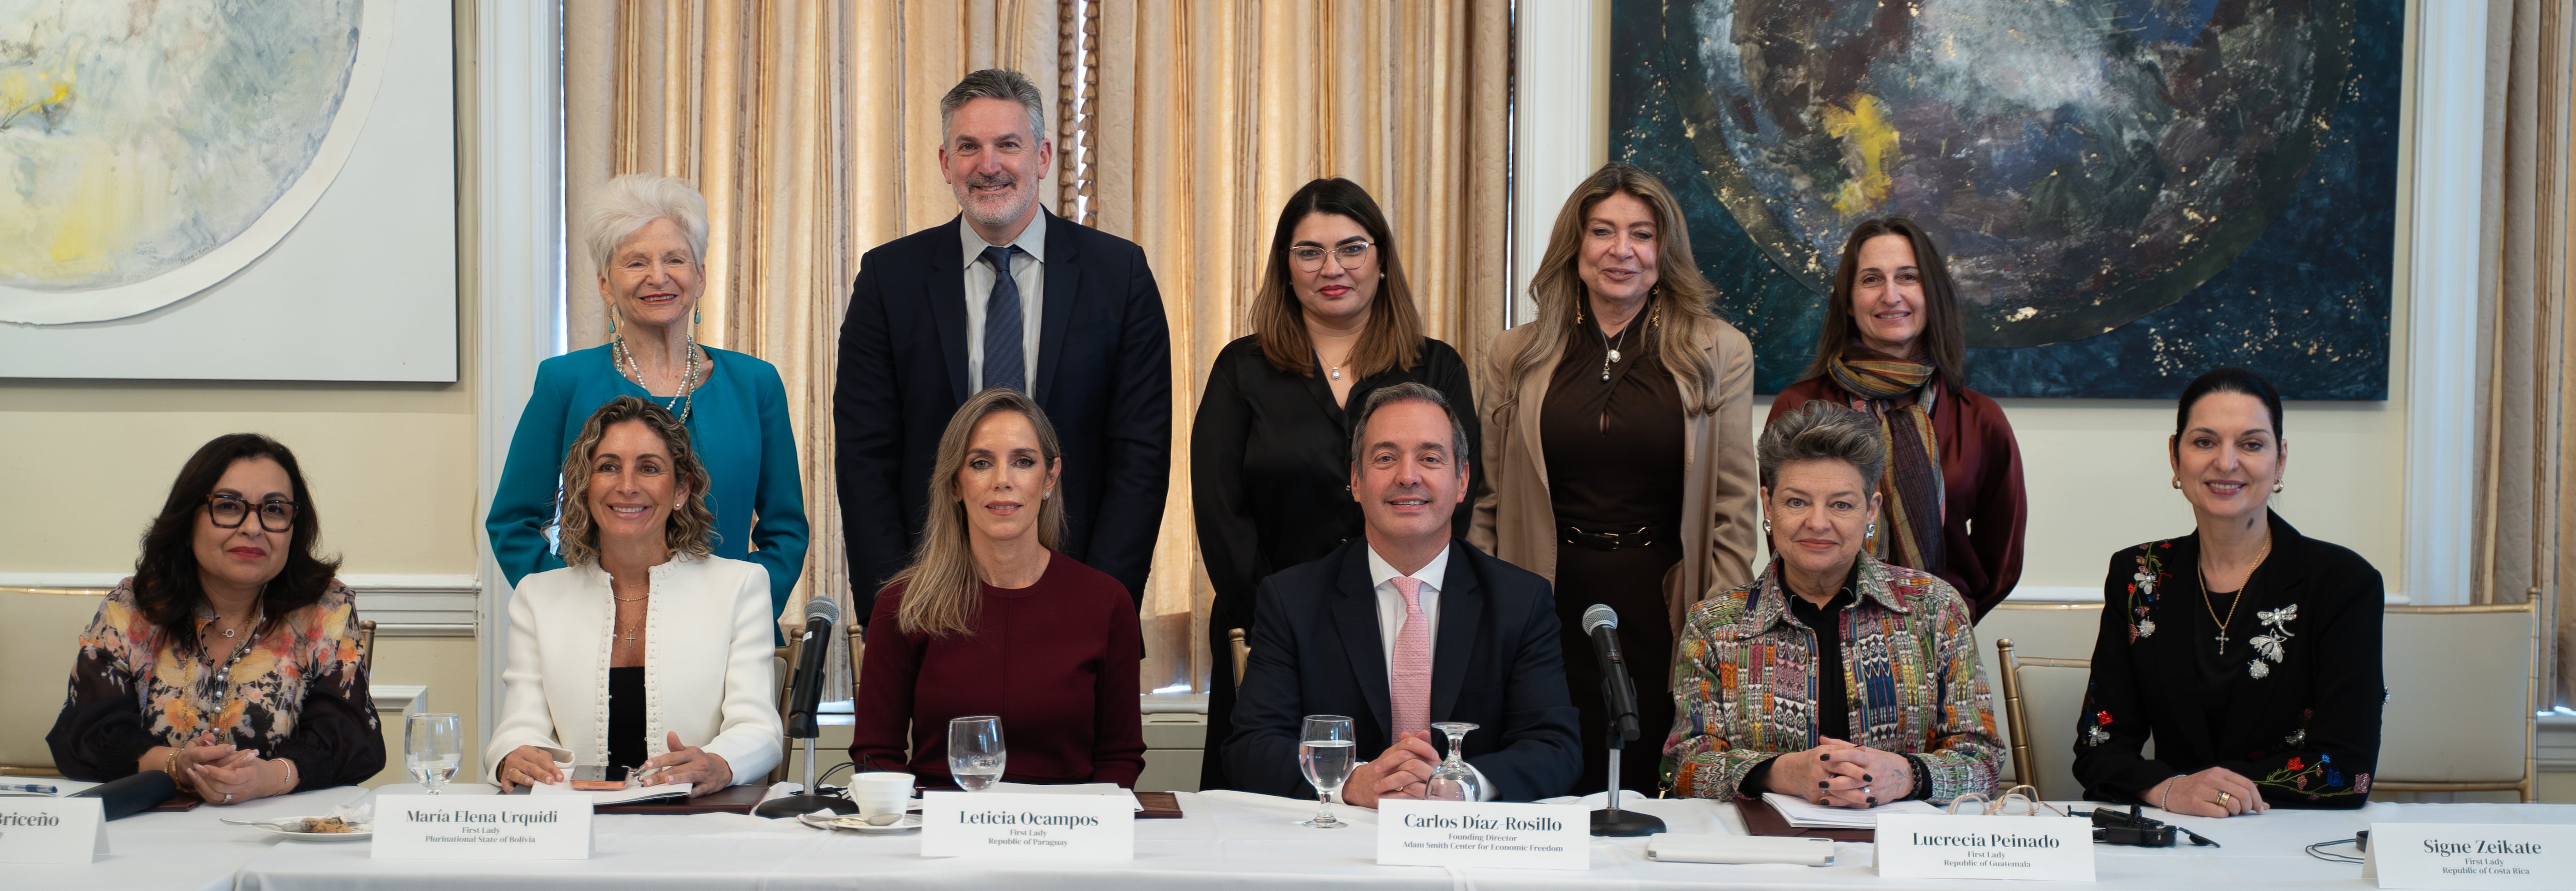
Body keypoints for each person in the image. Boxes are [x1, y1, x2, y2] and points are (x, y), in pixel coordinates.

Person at [836, 68, 1171, 616]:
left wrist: (1103, 607)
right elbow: (863, 460)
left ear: (1042, 157)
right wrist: (894, 613)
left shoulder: (1119, 275)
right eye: (969, 146)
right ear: (945, 163)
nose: (988, 165)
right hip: (929, 596)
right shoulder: (888, 280)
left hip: (1078, 591)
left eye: (1008, 145)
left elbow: (1141, 457)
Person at [1470, 162, 1756, 796]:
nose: (1620, 250)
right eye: (1602, 231)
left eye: (1641, 234)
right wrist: (1485, 607)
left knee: (1647, 778)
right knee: (1544, 769)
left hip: (1663, 600)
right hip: (1540, 593)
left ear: (1664, 250)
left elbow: (1733, 507)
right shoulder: (1515, 354)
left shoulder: (1719, 351)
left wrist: (1719, 623)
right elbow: (1486, 498)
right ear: (1575, 246)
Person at [1191, 177, 1483, 792]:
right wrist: (1278, 620)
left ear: (1381, 259)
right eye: (1309, 251)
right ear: (1285, 265)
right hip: (1269, 634)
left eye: (1351, 248)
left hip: (1403, 629)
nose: (1332, 268)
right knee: (1272, 802)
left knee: (1408, 794)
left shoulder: (1435, 366)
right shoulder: (1241, 368)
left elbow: (1454, 494)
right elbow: (1219, 510)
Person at [487, 175, 809, 637]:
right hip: (598, 638)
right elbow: (512, 522)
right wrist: (573, 606)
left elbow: (786, 529)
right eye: (636, 262)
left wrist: (742, 607)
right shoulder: (564, 382)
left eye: (675, 259)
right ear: (605, 284)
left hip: (730, 637)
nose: (658, 277)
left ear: (700, 277)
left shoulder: (756, 383)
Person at [1229, 383, 1581, 804]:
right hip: (1339, 831)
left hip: (1466, 833)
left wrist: (1461, 785)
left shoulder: (1520, 601)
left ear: (1462, 480)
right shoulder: (1292, 600)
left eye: (1430, 458)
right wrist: (1354, 782)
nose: (1408, 476)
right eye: (1385, 458)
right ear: (1356, 481)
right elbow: (1252, 747)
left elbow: (1554, 748)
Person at [2072, 368, 2382, 815]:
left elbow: (2349, 771)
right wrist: (2171, 790)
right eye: (2204, 442)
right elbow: (2099, 748)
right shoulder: (2140, 574)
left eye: (2252, 444)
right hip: (2176, 834)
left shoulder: (2344, 582)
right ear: (2175, 457)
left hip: (2292, 836)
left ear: (2280, 460)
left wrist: (2206, 789)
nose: (2226, 462)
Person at [1665, 402, 2000, 805]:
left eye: (1841, 504)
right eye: (1797, 502)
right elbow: (1682, 767)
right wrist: (1781, 772)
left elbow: (1983, 762)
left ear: (1871, 511)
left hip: (1897, 839)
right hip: (1767, 841)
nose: (1818, 523)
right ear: (1768, 506)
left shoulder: (1934, 609)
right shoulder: (1715, 624)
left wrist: (1905, 775)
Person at [47, 434, 383, 804]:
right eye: (227, 506)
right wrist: (176, 766)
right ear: (187, 522)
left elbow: (352, 741)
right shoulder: (132, 608)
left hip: (279, 824)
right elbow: (84, 737)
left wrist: (268, 777)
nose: (253, 528)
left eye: (275, 509)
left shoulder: (324, 609)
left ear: (294, 528)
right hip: (148, 828)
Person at [850, 389, 1146, 786]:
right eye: (981, 464)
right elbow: (876, 755)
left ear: (1050, 478)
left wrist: (1091, 819)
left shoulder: (1106, 602)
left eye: (1023, 462)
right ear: (955, 484)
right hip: (938, 820)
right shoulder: (903, 604)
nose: (1002, 481)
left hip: (1068, 822)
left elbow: (1119, 757)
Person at [487, 397, 782, 795]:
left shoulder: (740, 586)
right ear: (585, 487)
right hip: (578, 818)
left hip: (698, 819)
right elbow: (518, 728)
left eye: (649, 468)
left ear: (681, 489)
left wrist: (719, 763)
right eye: (608, 467)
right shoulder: (537, 597)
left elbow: (759, 728)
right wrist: (513, 756)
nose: (627, 486)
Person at [1770, 217, 2024, 620]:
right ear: (1849, 302)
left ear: (1931, 294)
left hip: (1940, 634)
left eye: (1908, 277)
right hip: (1819, 628)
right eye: (1871, 280)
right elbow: (1786, 531)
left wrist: (1948, 620)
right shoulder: (1800, 407)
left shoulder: (1979, 418)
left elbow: (2003, 557)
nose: (1891, 295)